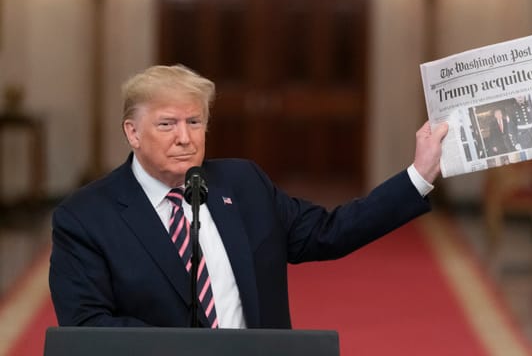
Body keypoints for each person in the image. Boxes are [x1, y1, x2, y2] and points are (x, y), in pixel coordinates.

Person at [49, 64, 448, 328]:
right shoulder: (86, 217)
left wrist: (419, 175)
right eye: (167, 124)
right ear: (132, 133)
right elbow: (87, 326)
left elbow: (330, 231)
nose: (185, 138)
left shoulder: (243, 185)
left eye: (195, 122)